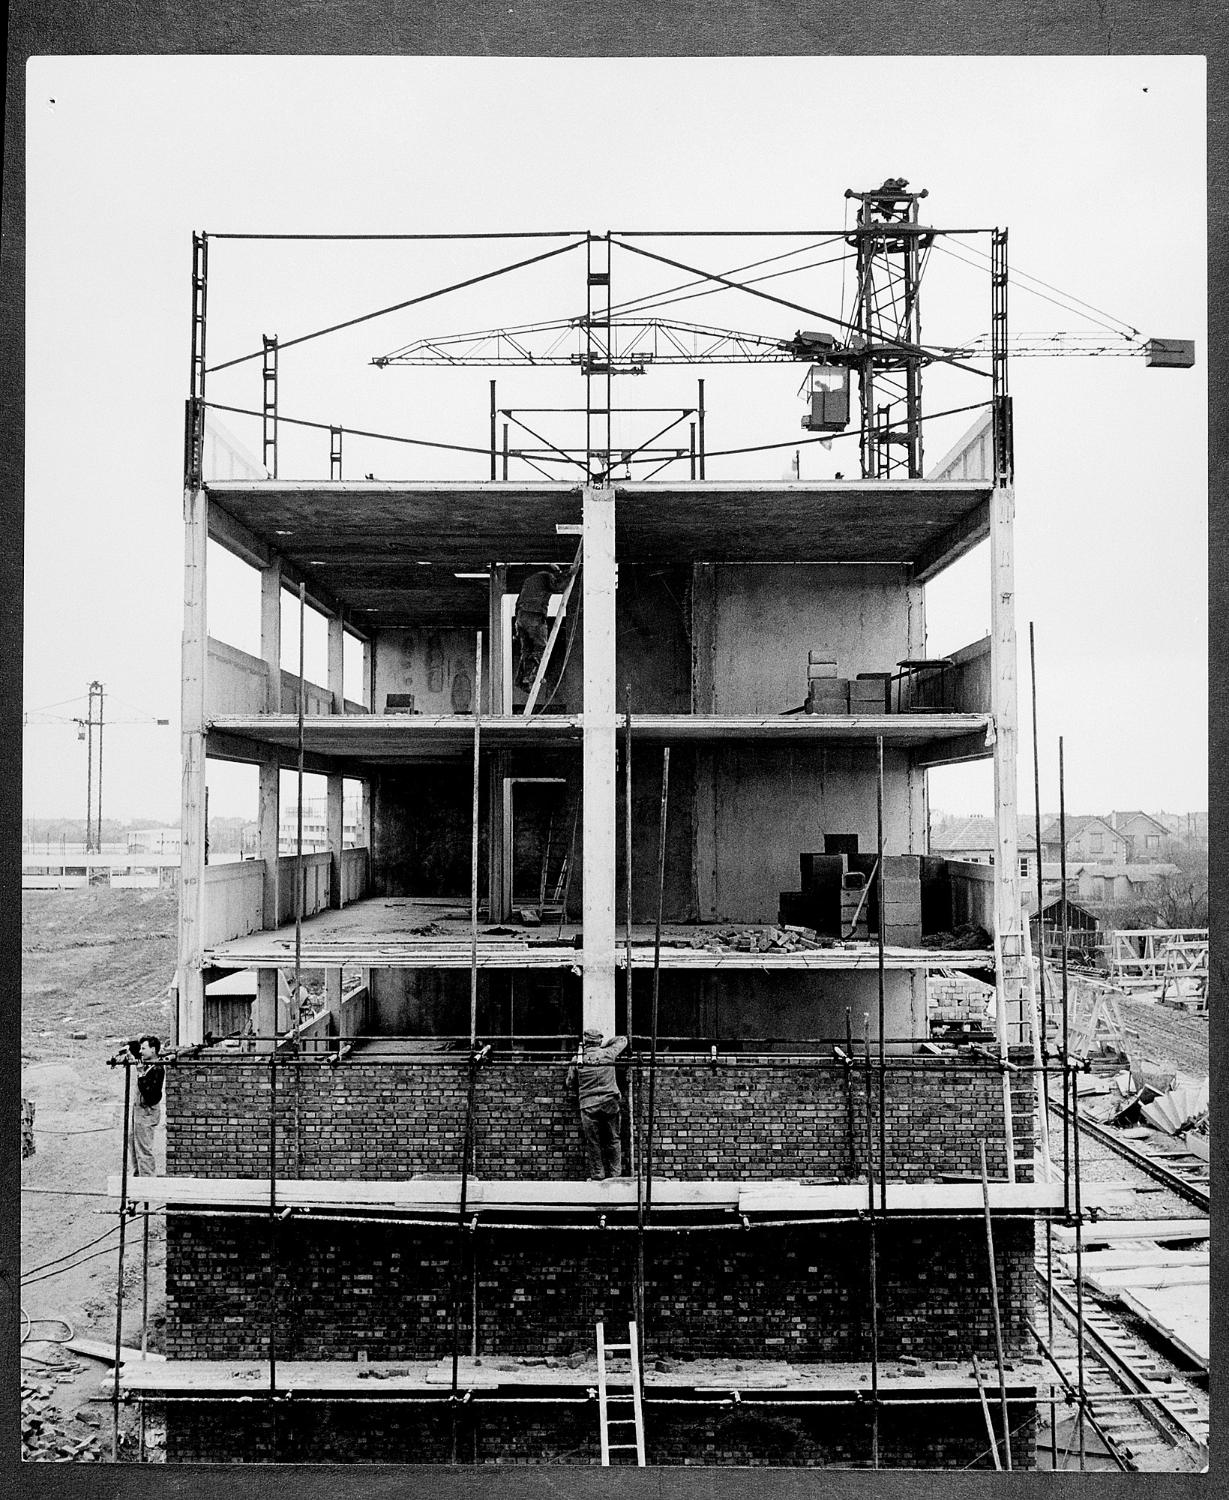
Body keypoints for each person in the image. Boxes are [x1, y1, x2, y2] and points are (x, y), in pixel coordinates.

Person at [567, 1029, 628, 1181]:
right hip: (609, 1102)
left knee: (593, 1142)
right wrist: (603, 1046)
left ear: (585, 1041)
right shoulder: (608, 1053)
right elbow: (622, 1039)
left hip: (588, 1105)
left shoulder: (577, 1059)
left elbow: (569, 1083)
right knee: (613, 1139)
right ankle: (615, 1175)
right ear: (599, 1041)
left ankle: (598, 1175)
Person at [118, 1035, 165, 1176]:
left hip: (147, 1113)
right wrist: (128, 1045)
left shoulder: (157, 1069)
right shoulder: (146, 1063)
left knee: (144, 1151)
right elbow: (135, 1048)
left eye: (144, 1049)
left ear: (153, 1049)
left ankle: (147, 1185)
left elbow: (150, 1095)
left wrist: (140, 1074)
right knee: (134, 1148)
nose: (141, 1051)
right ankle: (138, 1181)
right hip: (139, 1113)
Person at [513, 566, 563, 691]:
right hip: (534, 617)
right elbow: (559, 586)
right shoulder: (547, 576)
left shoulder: (529, 580)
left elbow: (517, 602)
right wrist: (570, 574)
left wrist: (517, 626)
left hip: (521, 618)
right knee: (540, 647)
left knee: (527, 650)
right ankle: (530, 677)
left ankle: (521, 679)